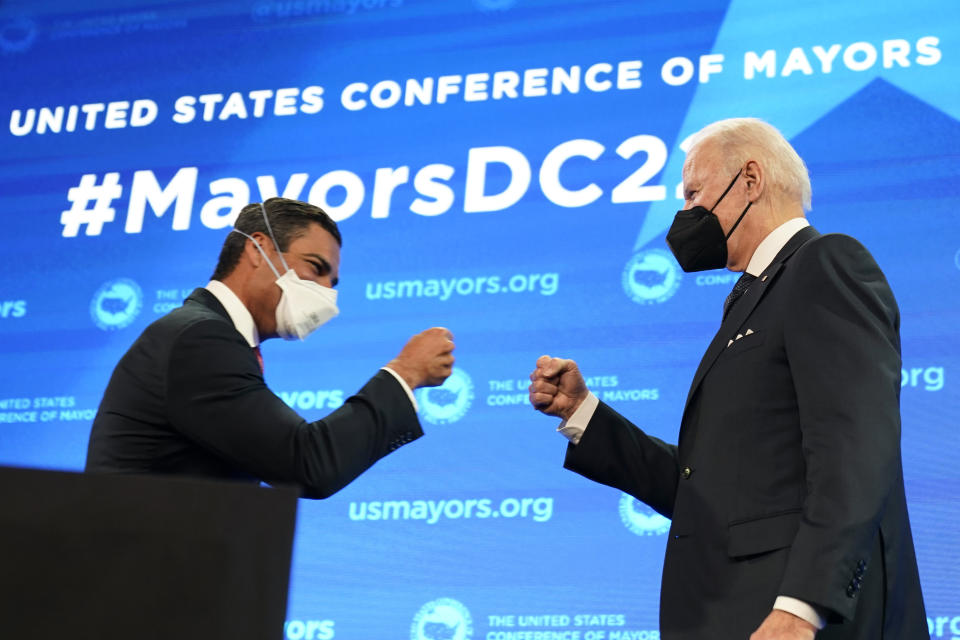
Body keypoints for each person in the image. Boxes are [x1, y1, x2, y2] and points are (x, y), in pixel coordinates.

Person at [528, 118, 926, 639]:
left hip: (792, 619)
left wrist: (803, 606)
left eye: (694, 191)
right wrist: (584, 414)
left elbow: (856, 447)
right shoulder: (752, 298)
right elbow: (706, 492)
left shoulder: (824, 265)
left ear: (751, 180)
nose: (685, 212)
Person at [86, 197, 454, 498]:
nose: (327, 294)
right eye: (315, 267)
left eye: (333, 281)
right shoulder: (199, 339)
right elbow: (307, 463)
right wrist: (405, 373)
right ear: (258, 249)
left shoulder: (207, 336)